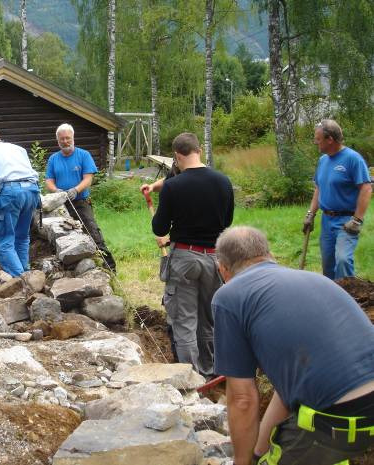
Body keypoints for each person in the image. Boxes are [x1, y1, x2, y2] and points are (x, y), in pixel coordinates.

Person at [213, 226, 374, 465]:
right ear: (269, 255)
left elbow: (242, 399)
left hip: (338, 419)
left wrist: (241, 462)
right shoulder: (314, 278)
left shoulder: (229, 297)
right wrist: (257, 453)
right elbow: (287, 391)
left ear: (222, 269)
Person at [146, 132, 233, 376]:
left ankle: (192, 377)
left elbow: (160, 228)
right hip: (216, 259)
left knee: (184, 322)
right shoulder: (223, 181)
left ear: (176, 156)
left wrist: (170, 232)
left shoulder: (173, 186)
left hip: (184, 259)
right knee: (209, 318)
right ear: (199, 150)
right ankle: (210, 370)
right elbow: (226, 221)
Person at [303, 119, 372, 279]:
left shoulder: (353, 159)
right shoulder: (323, 161)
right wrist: (310, 214)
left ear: (330, 140)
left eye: (318, 139)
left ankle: (349, 297)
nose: (315, 142)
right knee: (328, 264)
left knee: (343, 260)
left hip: (346, 220)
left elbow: (366, 188)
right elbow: (319, 188)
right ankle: (331, 298)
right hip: (327, 220)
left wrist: (357, 220)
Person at [44, 123, 116, 271]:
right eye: (62, 139)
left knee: (92, 232)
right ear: (57, 140)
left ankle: (109, 267)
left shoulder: (83, 155)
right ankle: (75, 268)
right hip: (61, 204)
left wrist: (76, 190)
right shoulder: (53, 159)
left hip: (81, 202)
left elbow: (88, 179)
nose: (65, 141)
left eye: (68, 138)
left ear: (73, 138)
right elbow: (49, 181)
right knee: (65, 236)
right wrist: (56, 190)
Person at [0, 127, 40, 277]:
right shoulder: (18, 149)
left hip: (10, 193)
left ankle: (22, 281)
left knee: (3, 243)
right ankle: (27, 273)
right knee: (22, 237)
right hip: (32, 191)